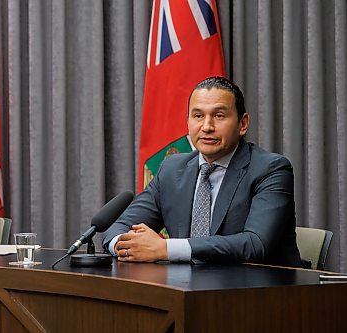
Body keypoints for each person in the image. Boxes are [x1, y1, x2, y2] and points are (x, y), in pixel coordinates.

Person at [103, 76, 303, 267]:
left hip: (259, 293)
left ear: (243, 124)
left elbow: (255, 244)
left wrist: (166, 249)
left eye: (219, 116)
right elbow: (117, 229)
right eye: (198, 116)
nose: (207, 126)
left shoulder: (271, 169)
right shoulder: (172, 169)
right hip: (185, 290)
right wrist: (129, 247)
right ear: (188, 122)